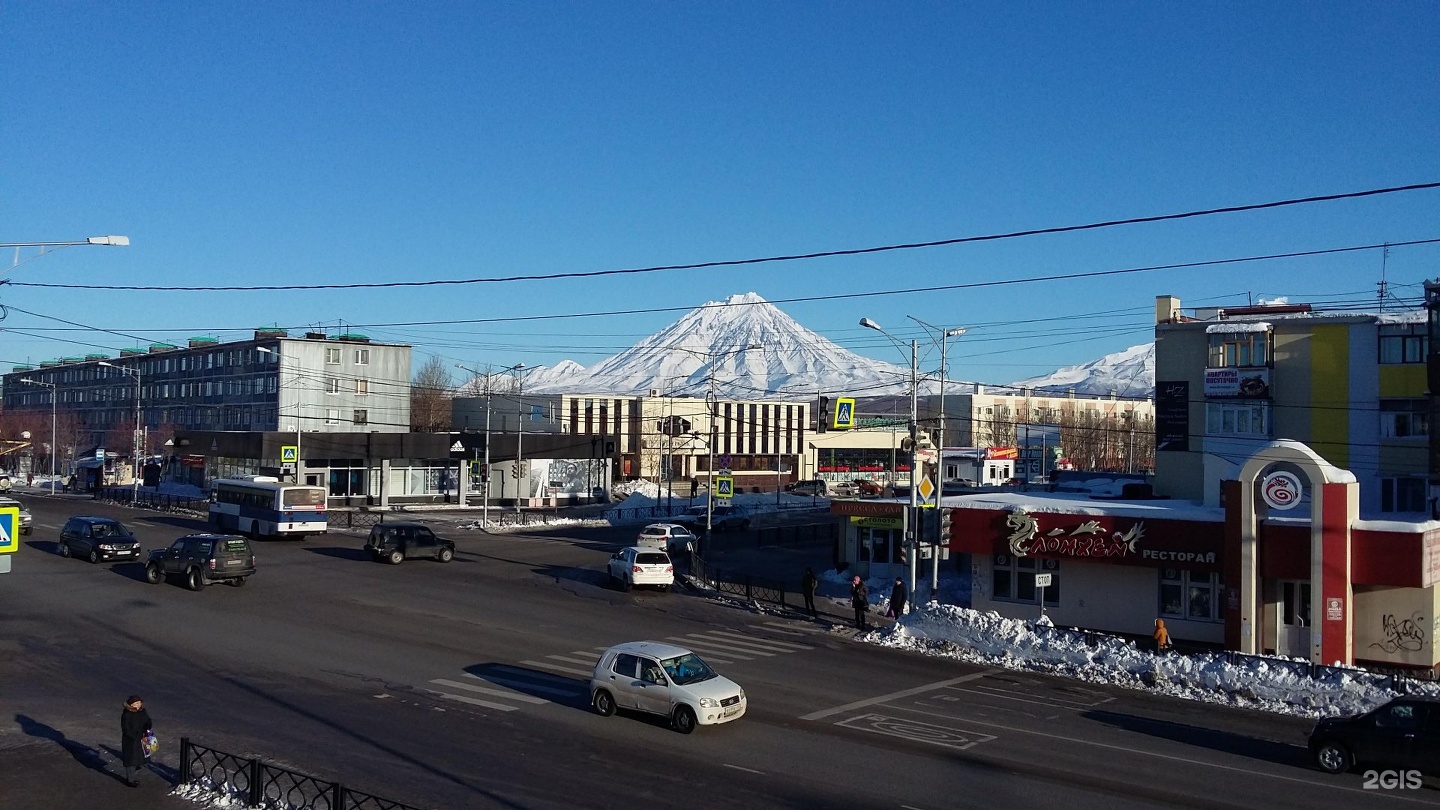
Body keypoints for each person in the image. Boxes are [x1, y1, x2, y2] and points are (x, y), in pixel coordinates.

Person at [120, 695, 152, 787]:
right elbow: (126, 729)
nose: (138, 705)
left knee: (139, 756)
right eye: (136, 703)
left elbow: (148, 721)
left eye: (139, 703)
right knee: (130, 760)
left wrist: (147, 729)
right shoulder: (127, 714)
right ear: (131, 704)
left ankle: (136, 767)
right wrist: (135, 736)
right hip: (131, 741)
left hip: (142, 738)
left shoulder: (142, 712)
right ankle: (130, 780)